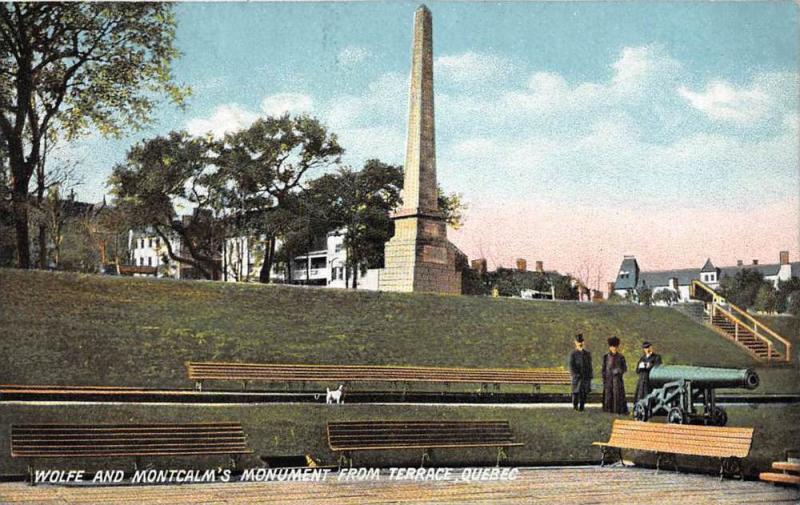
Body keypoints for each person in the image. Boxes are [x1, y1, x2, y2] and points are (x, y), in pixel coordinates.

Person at [602, 336, 628, 414]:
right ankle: (608, 409)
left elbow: (624, 368)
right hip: (608, 379)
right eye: (612, 347)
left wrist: (619, 371)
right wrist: (604, 378)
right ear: (610, 347)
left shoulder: (621, 357)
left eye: (615, 347)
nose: (614, 349)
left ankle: (618, 410)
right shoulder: (606, 357)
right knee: (608, 395)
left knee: (617, 395)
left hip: (617, 380)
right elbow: (603, 368)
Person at [568, 333, 592, 411]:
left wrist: (589, 376)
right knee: (575, 392)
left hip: (585, 377)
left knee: (584, 392)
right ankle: (575, 407)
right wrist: (575, 374)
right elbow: (571, 366)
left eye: (581, 342)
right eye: (578, 342)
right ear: (575, 343)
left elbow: (589, 365)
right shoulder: (573, 354)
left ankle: (582, 407)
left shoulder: (587, 354)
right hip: (577, 377)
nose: (580, 343)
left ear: (583, 342)